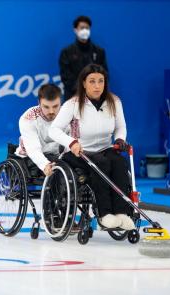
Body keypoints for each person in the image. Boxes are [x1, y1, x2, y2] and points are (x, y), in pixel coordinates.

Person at [48, 64, 135, 231]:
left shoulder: (114, 102)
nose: (97, 86)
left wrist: (120, 139)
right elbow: (54, 130)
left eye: (101, 81)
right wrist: (71, 143)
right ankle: (104, 215)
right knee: (101, 163)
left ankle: (121, 213)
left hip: (104, 148)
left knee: (118, 163)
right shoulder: (72, 104)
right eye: (92, 81)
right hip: (77, 151)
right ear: (84, 83)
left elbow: (120, 126)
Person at [15, 83, 67, 176]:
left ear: (61, 103)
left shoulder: (67, 114)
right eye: (46, 107)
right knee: (61, 166)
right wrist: (45, 165)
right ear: (39, 103)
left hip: (59, 155)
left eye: (55, 106)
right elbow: (33, 149)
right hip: (31, 157)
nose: (51, 111)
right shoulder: (28, 118)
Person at [59, 15, 108, 101]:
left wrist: (92, 90)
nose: (85, 30)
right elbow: (66, 77)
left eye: (87, 28)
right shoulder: (66, 52)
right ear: (75, 30)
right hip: (73, 97)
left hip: (95, 97)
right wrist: (83, 89)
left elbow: (104, 74)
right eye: (82, 28)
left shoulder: (99, 51)